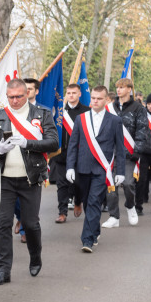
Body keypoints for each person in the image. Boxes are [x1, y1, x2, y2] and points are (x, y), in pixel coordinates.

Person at [0, 78, 58, 284]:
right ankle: (4, 270)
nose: (14, 101)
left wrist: (29, 143)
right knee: (3, 224)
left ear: (27, 95)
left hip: (30, 178)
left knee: (31, 224)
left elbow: (53, 142)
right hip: (4, 179)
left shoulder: (42, 114)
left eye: (19, 96)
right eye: (10, 97)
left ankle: (35, 257)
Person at [66, 85, 125, 252]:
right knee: (87, 202)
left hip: (102, 170)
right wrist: (70, 167)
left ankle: (87, 240)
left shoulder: (115, 121)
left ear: (106, 100)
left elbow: (120, 148)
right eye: (93, 98)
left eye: (99, 98)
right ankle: (95, 230)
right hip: (82, 168)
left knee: (94, 202)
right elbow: (73, 145)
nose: (96, 101)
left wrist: (120, 171)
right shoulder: (81, 118)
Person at [104, 77, 147, 228]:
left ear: (129, 89)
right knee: (111, 185)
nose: (118, 90)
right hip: (110, 153)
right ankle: (114, 216)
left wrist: (138, 150)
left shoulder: (138, 108)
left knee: (128, 183)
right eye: (117, 87)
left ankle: (130, 206)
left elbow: (142, 130)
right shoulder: (109, 107)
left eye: (122, 87)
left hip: (129, 153)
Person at [51, 83, 90, 222]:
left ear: (79, 94)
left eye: (74, 93)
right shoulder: (59, 112)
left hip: (80, 154)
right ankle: (62, 212)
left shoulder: (87, 111)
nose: (71, 95)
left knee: (78, 183)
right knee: (62, 184)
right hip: (62, 154)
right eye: (68, 93)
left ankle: (78, 201)